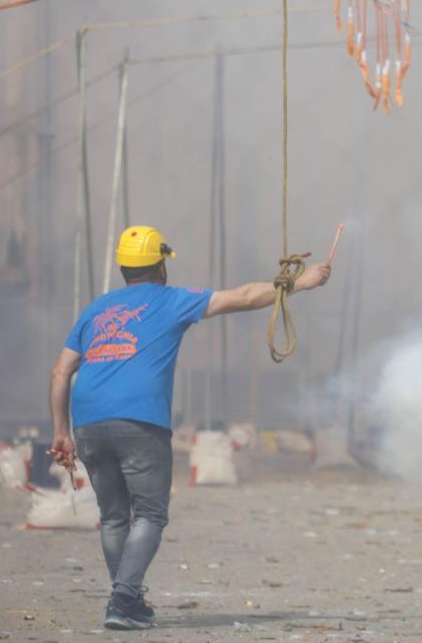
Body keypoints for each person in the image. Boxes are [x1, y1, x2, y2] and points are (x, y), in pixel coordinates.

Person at [49, 226, 331, 630]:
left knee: (113, 517)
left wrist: (61, 430)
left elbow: (60, 372)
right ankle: (123, 600)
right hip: (139, 421)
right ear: (161, 265)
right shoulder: (171, 300)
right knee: (149, 514)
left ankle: (127, 600)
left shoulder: (96, 310)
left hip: (88, 422)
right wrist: (299, 283)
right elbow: (245, 297)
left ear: (124, 268)